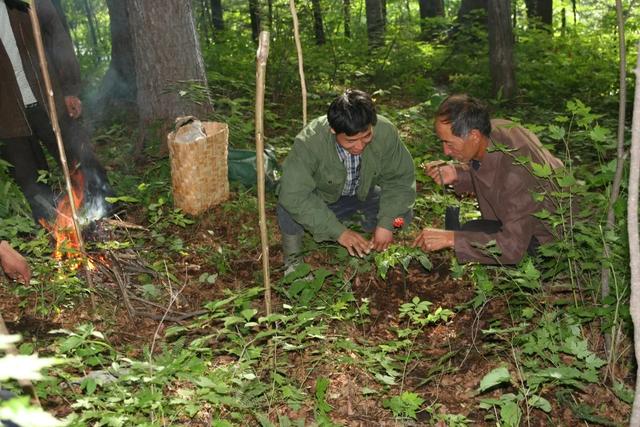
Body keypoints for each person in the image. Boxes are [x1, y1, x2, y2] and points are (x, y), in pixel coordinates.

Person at [413, 94, 563, 265]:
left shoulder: (517, 173)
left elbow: (512, 248)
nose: (446, 151)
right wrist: (457, 173)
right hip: (526, 222)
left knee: (471, 233)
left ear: (474, 136)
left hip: (550, 243)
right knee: (472, 231)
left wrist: (451, 239)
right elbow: (489, 169)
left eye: (450, 143)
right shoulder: (493, 132)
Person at [0, 0, 112, 224]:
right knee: (30, 180)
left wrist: (69, 88)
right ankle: (55, 233)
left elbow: (57, 36)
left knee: (79, 157)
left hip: (48, 98)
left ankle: (108, 212)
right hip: (7, 114)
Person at [278, 90, 416, 267]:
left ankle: (377, 243)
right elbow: (294, 195)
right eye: (351, 141)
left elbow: (400, 181)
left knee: (402, 215)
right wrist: (338, 232)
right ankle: (293, 262)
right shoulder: (310, 142)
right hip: (323, 200)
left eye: (366, 136)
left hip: (362, 195)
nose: (359, 146)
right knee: (287, 207)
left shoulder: (385, 132)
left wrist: (387, 224)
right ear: (334, 130)